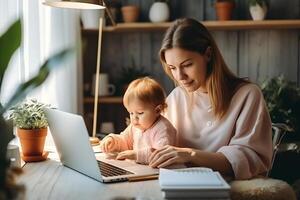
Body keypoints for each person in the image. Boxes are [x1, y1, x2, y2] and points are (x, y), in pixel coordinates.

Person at [149, 18, 273, 180]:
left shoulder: (247, 95)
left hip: (223, 187)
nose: (180, 76)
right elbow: (151, 133)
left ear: (208, 54)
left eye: (187, 65)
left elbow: (248, 159)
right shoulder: (178, 96)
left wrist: (190, 154)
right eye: (172, 68)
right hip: (179, 182)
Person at [100, 77, 177, 164]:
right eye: (131, 113)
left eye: (140, 113)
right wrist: (113, 142)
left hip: (160, 173)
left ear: (157, 110)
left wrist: (136, 155)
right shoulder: (135, 126)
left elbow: (161, 155)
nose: (134, 118)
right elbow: (125, 141)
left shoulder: (163, 129)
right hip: (141, 170)